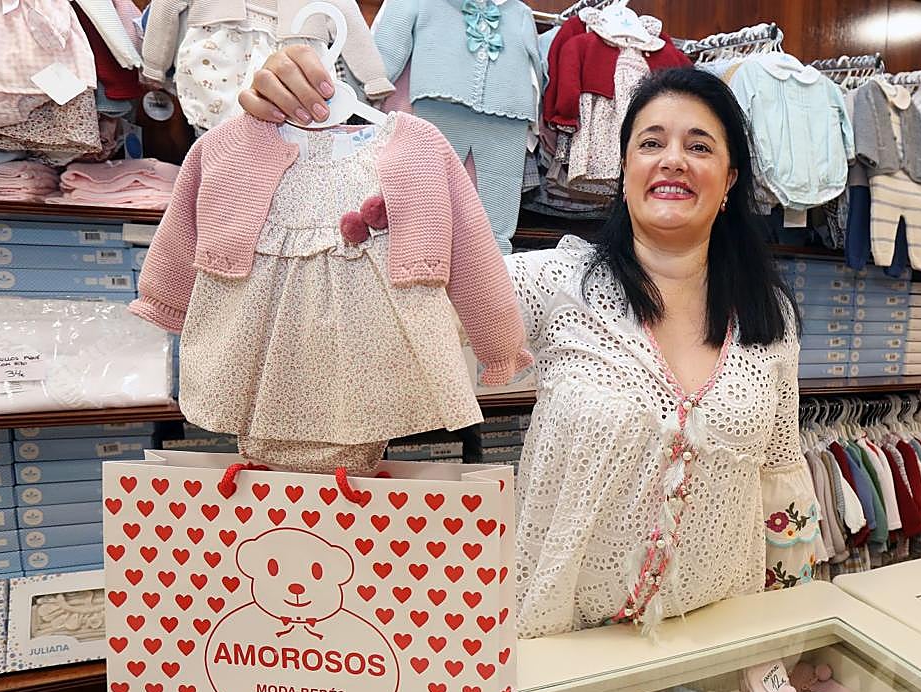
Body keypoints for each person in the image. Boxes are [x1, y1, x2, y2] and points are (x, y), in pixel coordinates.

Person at [241, 49, 825, 638]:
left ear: (729, 181)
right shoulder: (556, 282)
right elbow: (383, 333)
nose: (673, 159)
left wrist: (789, 638)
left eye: (699, 146)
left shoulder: (768, 317)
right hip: (560, 644)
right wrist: (310, 155)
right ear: (624, 171)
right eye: (651, 143)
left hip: (718, 640)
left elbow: (779, 477)